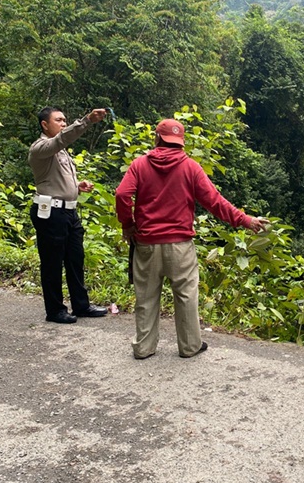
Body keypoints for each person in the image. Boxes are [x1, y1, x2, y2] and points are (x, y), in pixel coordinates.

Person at [115, 118, 269, 360]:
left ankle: (144, 348)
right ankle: (189, 346)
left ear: (156, 138)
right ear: (181, 142)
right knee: (186, 295)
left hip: (147, 243)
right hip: (180, 245)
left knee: (146, 296)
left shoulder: (139, 165)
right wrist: (245, 220)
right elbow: (215, 203)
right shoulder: (191, 167)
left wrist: (129, 225)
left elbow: (122, 194)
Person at [28, 107, 109, 324]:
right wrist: (86, 121)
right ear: (45, 125)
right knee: (52, 262)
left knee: (75, 259)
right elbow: (61, 140)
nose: (63, 124)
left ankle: (81, 305)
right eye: (58, 120)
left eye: (65, 120)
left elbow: (54, 178)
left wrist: (77, 185)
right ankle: (54, 310)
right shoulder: (41, 147)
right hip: (50, 213)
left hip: (69, 211)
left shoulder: (61, 151)